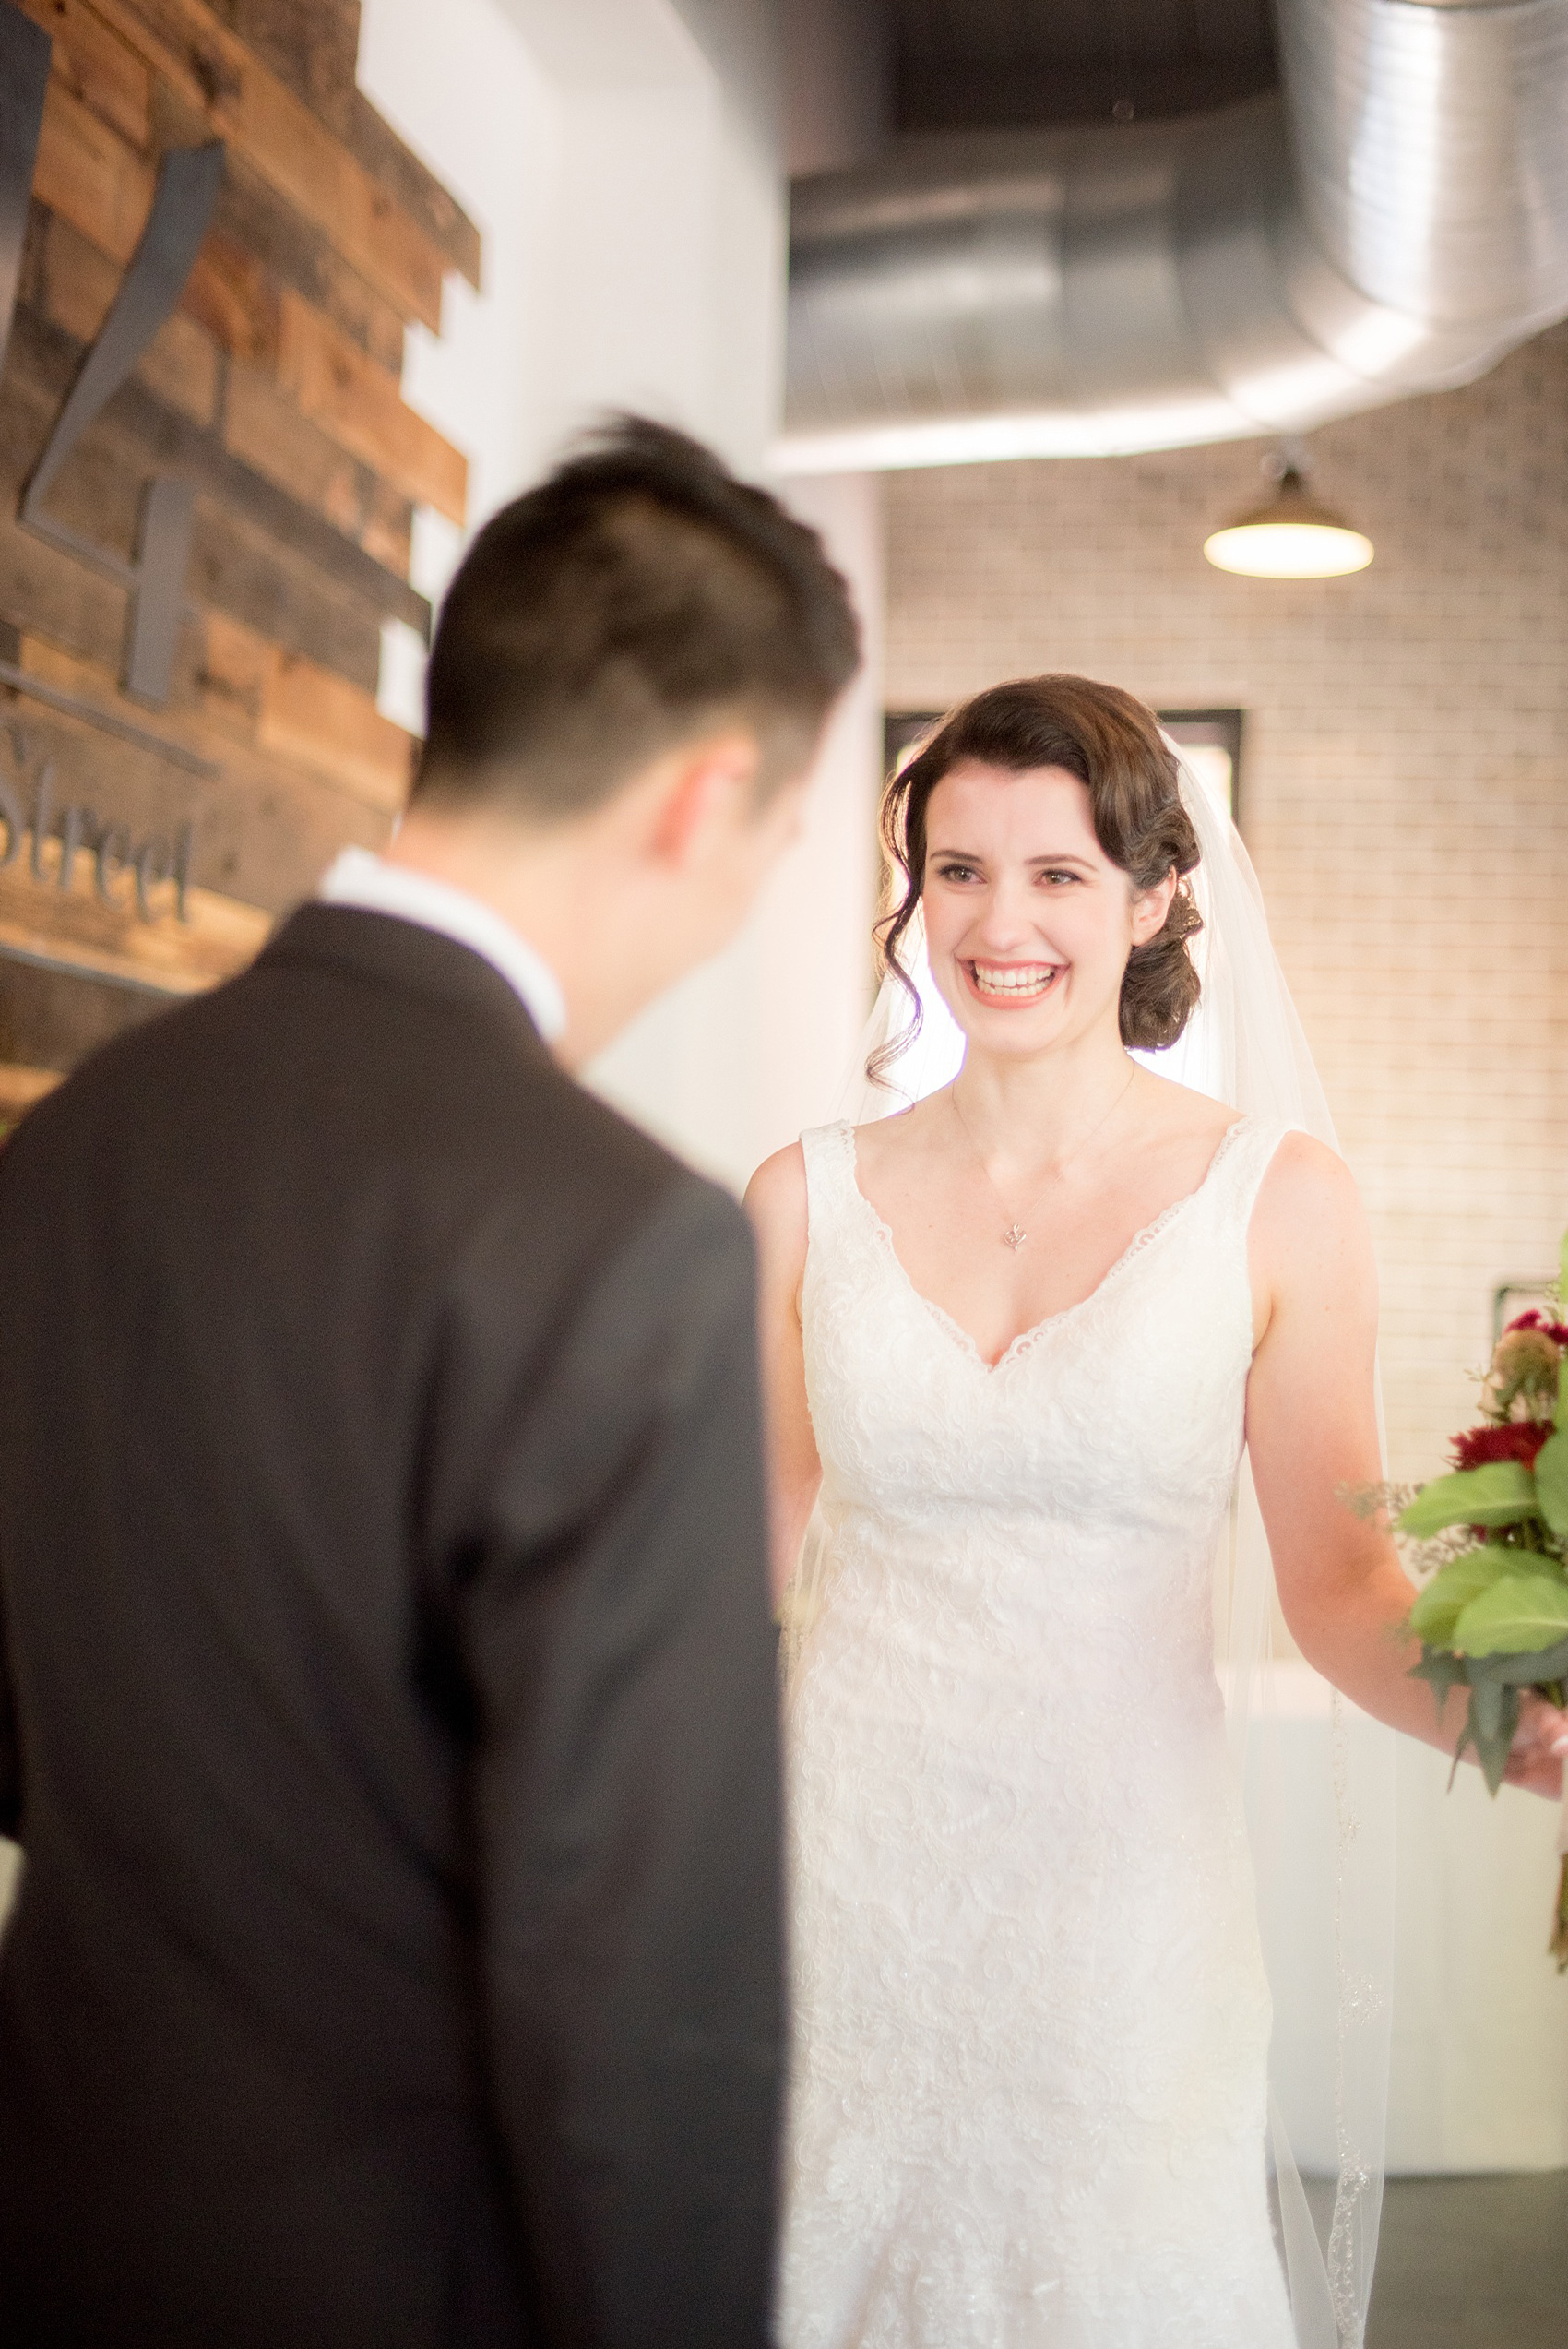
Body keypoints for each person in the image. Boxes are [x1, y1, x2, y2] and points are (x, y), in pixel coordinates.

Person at [0, 418, 859, 2348]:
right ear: (700, 795)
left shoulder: (67, 1150)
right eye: (780, 838)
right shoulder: (621, 1238)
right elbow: (641, 1959)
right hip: (409, 2270)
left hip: (60, 2212)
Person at [745, 674, 1568, 2349]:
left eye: (1058, 873)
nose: (1002, 921)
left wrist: (1516, 1717)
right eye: (959, 869)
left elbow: (1340, 1588)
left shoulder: (1277, 1202)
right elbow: (722, 1585)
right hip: (840, 1882)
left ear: (1158, 896)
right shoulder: (802, 1194)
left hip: (1122, 1904)